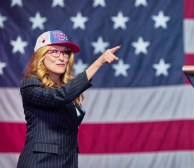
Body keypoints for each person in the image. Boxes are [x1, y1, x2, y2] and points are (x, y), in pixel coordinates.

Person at [16, 30, 120, 168]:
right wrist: (98, 62)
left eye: (66, 52)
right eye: (54, 51)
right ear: (40, 56)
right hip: (41, 162)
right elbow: (58, 97)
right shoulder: (30, 84)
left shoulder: (68, 88)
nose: (62, 57)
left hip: (67, 162)